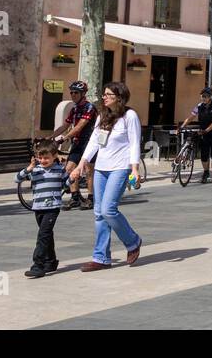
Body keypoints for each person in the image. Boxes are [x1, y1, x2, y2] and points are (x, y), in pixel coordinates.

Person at [68, 82, 144, 271]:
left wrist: (134, 169)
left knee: (108, 210)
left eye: (108, 94)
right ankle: (101, 258)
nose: (104, 97)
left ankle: (133, 241)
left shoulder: (129, 116)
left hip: (120, 167)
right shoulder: (103, 115)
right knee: (98, 213)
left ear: (119, 97)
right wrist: (81, 164)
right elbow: (94, 141)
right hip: (101, 168)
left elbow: (135, 143)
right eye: (104, 94)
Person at [16, 139, 70, 278]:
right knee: (47, 234)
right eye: (40, 157)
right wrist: (29, 168)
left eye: (46, 158)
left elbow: (67, 183)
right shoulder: (35, 170)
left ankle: (38, 265)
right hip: (38, 207)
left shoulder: (59, 169)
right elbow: (17, 179)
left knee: (43, 235)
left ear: (54, 156)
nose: (43, 160)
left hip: (52, 207)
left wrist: (74, 176)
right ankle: (51, 261)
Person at [53, 80, 95, 209]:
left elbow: (79, 127)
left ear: (83, 93)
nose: (73, 95)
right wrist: (50, 137)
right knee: (70, 169)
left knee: (88, 170)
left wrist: (64, 138)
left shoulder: (89, 108)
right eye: (71, 92)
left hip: (88, 142)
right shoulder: (74, 108)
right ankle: (75, 197)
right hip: (77, 143)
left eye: (76, 92)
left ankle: (91, 198)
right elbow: (65, 125)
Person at [178, 85, 212, 183]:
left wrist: (207, 130)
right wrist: (182, 126)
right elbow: (191, 117)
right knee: (204, 154)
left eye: (205, 96)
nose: (203, 98)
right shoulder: (199, 106)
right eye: (202, 96)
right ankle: (206, 172)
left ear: (210, 97)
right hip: (203, 133)